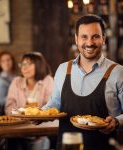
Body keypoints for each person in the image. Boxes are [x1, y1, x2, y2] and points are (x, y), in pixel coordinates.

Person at [42, 14, 123, 150]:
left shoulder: (118, 72)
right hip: (67, 146)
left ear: (103, 38)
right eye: (84, 37)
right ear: (76, 39)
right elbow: (54, 105)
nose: (89, 43)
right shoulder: (63, 69)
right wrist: (40, 115)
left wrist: (116, 121)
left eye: (95, 36)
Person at [5, 52, 53, 150]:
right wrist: (22, 114)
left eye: (29, 64)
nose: (24, 68)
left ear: (39, 65)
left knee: (43, 143)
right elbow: (9, 106)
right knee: (10, 141)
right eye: (22, 64)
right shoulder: (16, 81)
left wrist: (33, 114)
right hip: (18, 132)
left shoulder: (47, 81)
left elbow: (50, 107)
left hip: (40, 133)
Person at [0, 51, 18, 115]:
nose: (6, 63)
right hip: (8, 113)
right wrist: (18, 96)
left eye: (8, 60)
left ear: (13, 61)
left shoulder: (17, 76)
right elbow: (1, 101)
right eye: (2, 61)